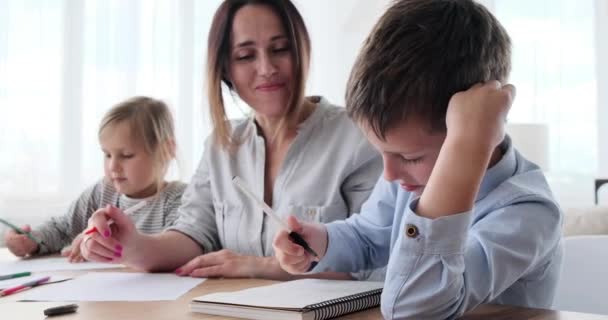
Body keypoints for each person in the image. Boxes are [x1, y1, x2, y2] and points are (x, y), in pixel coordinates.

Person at [273, 0, 563, 318]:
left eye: (409, 157)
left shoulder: (528, 213)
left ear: (477, 129)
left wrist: (465, 149)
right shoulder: (411, 180)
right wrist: (321, 242)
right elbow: (368, 237)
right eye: (382, 153)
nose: (389, 173)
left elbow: (413, 307)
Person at [80, 0, 382, 280]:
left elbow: (374, 257)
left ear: (301, 51)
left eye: (280, 49)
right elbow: (193, 235)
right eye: (246, 55)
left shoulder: (357, 137)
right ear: (226, 69)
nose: (266, 69)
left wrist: (259, 266)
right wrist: (128, 244)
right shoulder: (220, 146)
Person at [4, 96, 187, 263]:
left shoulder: (179, 199)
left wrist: (98, 244)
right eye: (107, 155)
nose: (113, 166)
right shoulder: (102, 192)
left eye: (126, 155)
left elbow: (177, 251)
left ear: (166, 150)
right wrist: (32, 241)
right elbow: (64, 229)